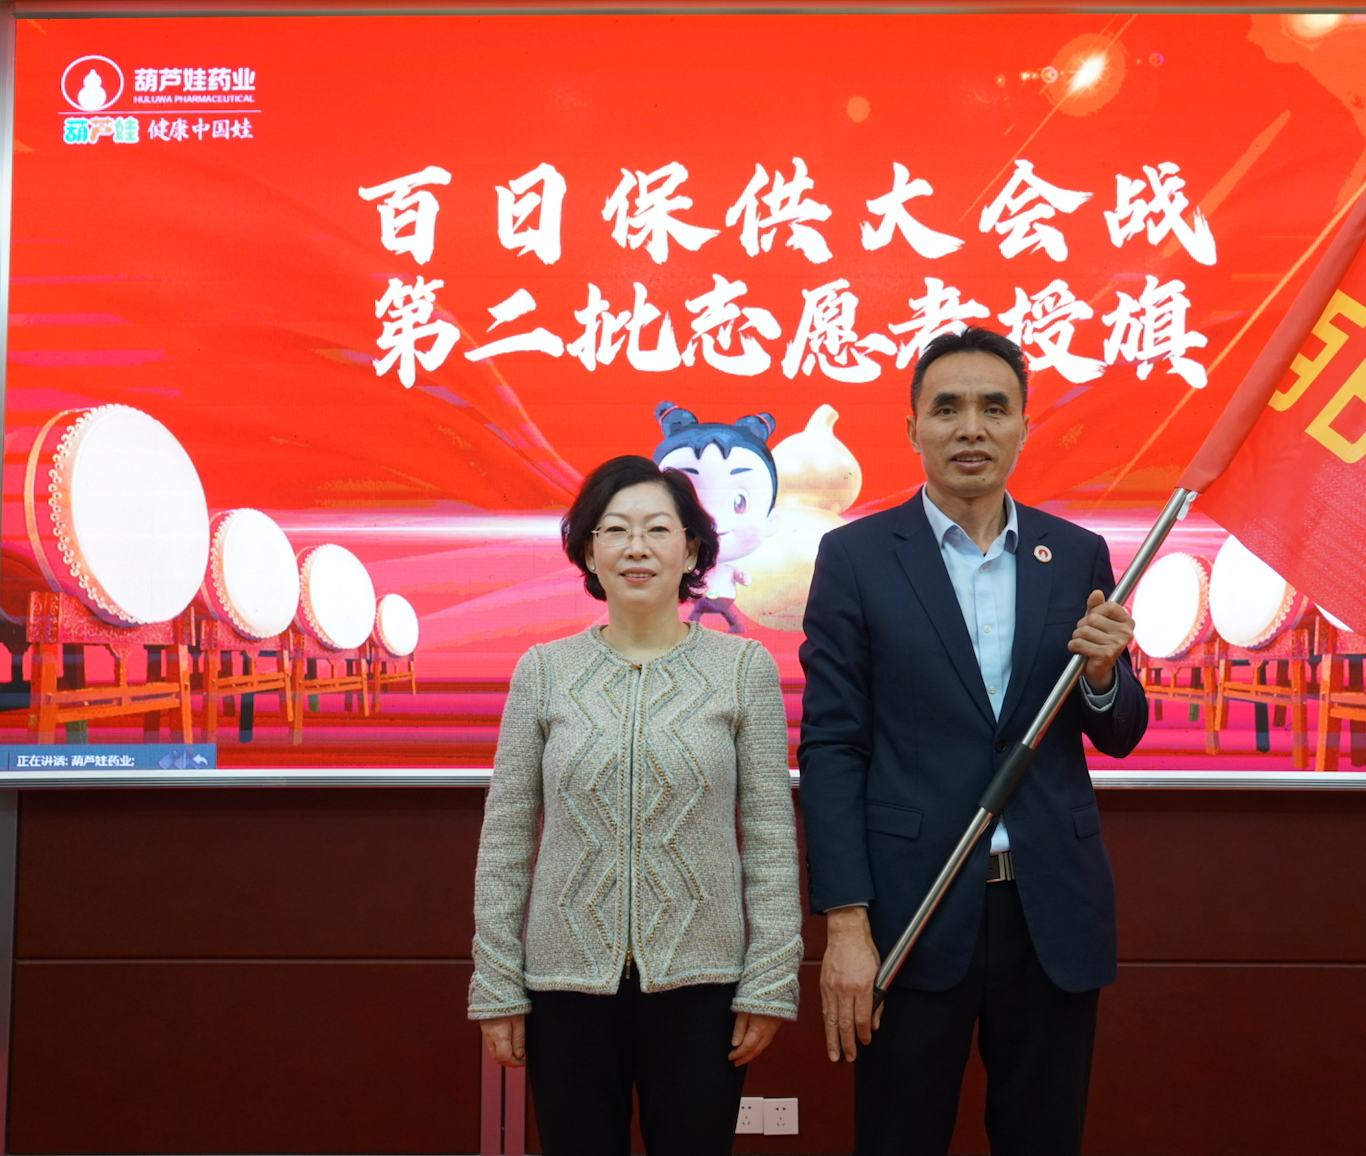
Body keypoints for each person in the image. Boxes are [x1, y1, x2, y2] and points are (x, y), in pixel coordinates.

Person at [798, 328, 1148, 1155]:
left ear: (1024, 426)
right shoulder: (856, 558)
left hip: (1049, 910)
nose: (971, 428)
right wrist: (845, 924)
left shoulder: (1076, 555)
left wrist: (1104, 675)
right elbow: (833, 746)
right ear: (913, 428)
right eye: (947, 408)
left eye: (995, 408)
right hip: (912, 911)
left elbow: (1120, 731)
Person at [470, 454, 803, 1156]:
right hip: (564, 988)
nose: (637, 548)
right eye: (615, 530)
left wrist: (770, 978)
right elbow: (505, 839)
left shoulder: (743, 670)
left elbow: (771, 837)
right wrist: (497, 983)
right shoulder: (544, 671)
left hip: (704, 990)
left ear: (692, 549)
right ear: (590, 551)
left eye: (657, 529)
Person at [653, 402, 779, 635]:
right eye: (691, 502)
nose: (715, 522)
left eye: (740, 503)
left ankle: (731, 625)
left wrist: (741, 576)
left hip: (723, 597)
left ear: (771, 520)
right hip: (698, 599)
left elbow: (739, 575)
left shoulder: (728, 568)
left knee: (726, 614)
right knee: (695, 613)